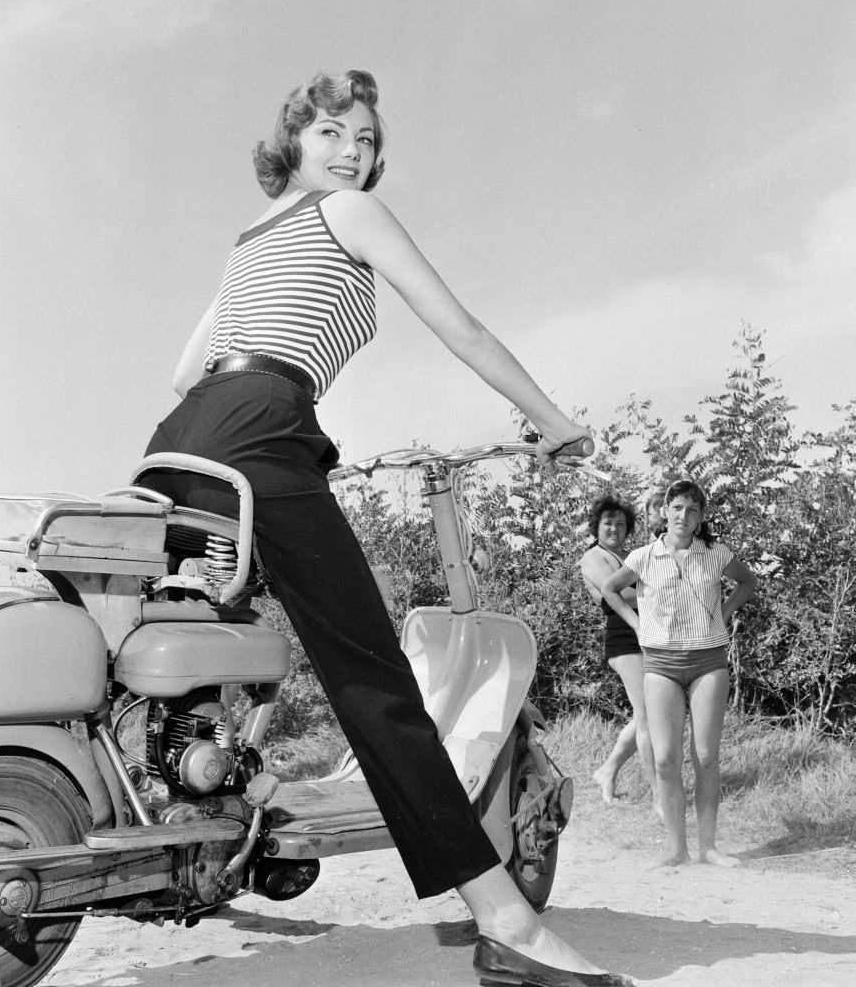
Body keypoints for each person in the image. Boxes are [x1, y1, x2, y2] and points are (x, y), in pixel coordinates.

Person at [142, 70, 630, 986]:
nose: (355, 155)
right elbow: (463, 327)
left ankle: (197, 818)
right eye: (334, 132)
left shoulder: (246, 240)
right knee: (372, 680)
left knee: (198, 646)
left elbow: (184, 375)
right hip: (264, 433)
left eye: (366, 143)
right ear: (295, 139)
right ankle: (505, 923)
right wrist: (554, 421)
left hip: (177, 445)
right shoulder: (350, 214)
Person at [601, 480, 757, 869]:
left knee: (705, 755)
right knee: (666, 759)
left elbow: (748, 582)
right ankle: (676, 849)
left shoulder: (717, 554)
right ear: (664, 511)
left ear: (701, 517)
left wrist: (722, 615)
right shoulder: (642, 556)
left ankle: (708, 848)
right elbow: (610, 588)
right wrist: (636, 624)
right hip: (660, 665)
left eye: (691, 510)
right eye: (676, 508)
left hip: (708, 662)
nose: (682, 516)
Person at [578, 496, 658, 812]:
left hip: (651, 632)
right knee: (649, 716)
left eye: (621, 524)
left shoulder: (629, 555)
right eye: (608, 522)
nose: (614, 528)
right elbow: (621, 592)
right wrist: (649, 583)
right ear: (597, 526)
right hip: (624, 636)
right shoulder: (593, 557)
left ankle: (607, 770)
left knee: (645, 715)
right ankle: (658, 794)